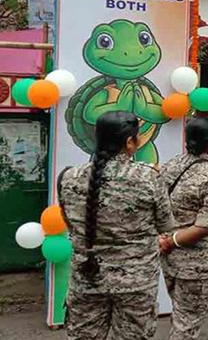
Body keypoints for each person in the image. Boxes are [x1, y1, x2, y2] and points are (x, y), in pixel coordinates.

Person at [60, 111, 174, 340]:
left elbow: (70, 223)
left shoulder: (69, 177)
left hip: (87, 277)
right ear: (130, 142)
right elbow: (165, 225)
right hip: (136, 282)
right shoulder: (149, 177)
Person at [159, 118, 208, 340]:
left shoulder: (172, 165)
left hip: (171, 261)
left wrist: (166, 241)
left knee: (182, 318)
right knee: (187, 324)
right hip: (200, 266)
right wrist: (171, 241)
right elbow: (204, 226)